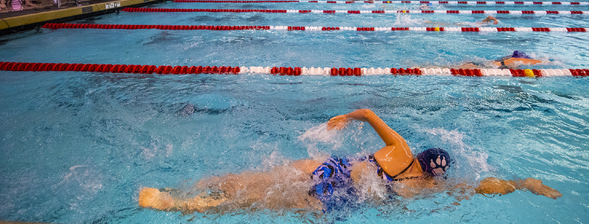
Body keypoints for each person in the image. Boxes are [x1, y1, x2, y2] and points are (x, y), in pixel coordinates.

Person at [138, 109, 561, 214]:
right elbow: (484, 187)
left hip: (332, 168)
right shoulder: (430, 187)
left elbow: (367, 112)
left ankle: (184, 193)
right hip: (344, 196)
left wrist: (345, 118)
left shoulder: (399, 150)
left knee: (254, 178)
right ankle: (175, 205)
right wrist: (525, 183)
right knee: (259, 202)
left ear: (422, 153)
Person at [460, 51, 544, 70]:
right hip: (487, 67)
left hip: (483, 64)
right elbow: (538, 62)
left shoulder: (507, 59)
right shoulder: (514, 60)